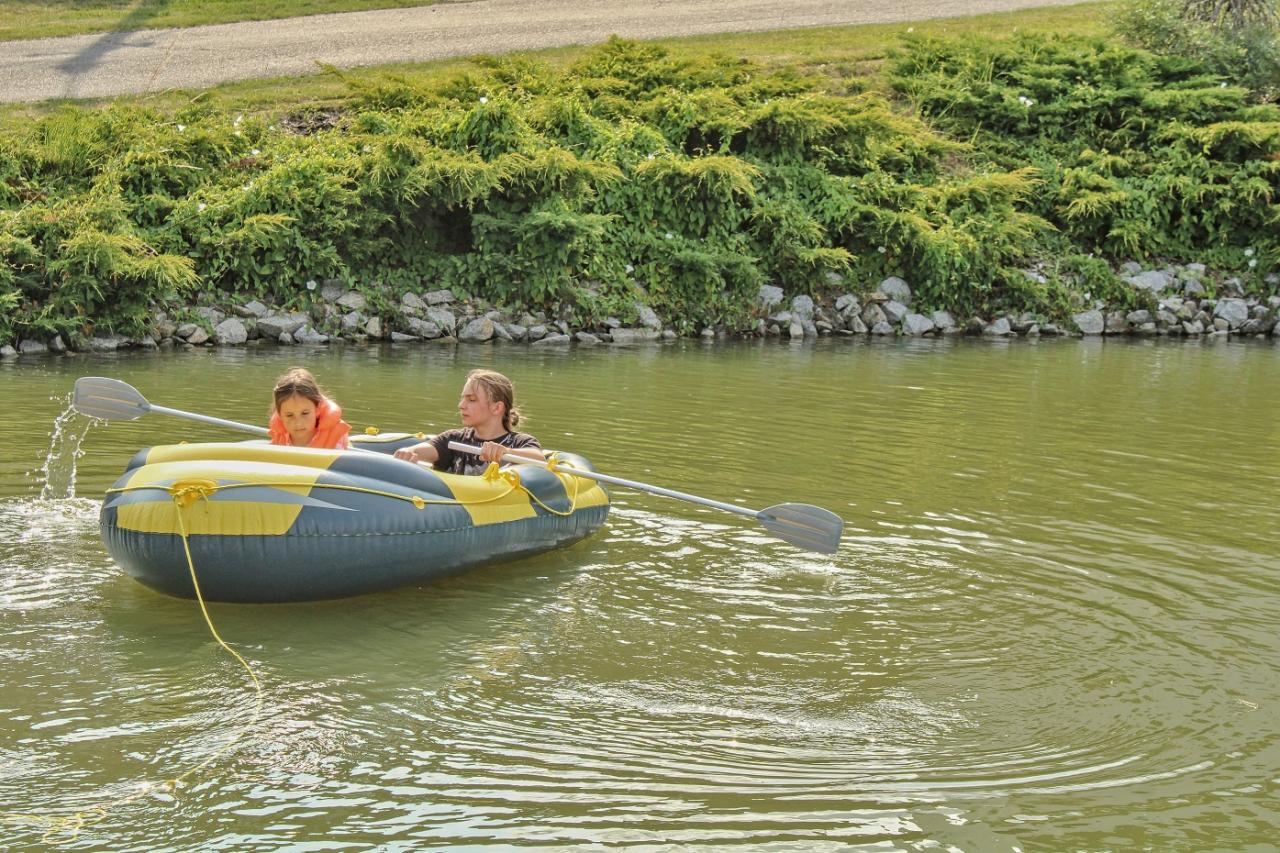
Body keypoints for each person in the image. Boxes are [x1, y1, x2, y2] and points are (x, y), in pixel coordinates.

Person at [394, 369, 543, 475]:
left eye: (471, 400)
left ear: (497, 408)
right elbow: (422, 450)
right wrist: (409, 452)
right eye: (463, 398)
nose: (461, 405)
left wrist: (506, 452)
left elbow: (539, 459)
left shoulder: (521, 442)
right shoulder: (453, 438)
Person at [267, 367, 351, 449]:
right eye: (289, 415)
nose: (298, 423)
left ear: (317, 410)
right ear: (280, 415)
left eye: (305, 413)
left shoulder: (336, 437)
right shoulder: (278, 436)